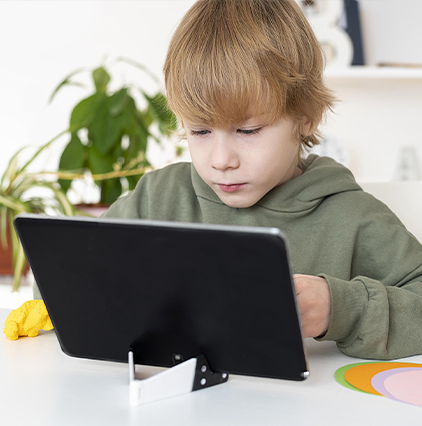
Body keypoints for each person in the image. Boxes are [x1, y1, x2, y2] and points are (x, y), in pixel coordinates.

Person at [6, 0, 422, 360]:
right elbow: (77, 280)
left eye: (248, 131)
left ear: (306, 117)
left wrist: (339, 309)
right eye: (200, 132)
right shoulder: (157, 197)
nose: (221, 160)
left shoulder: (352, 216)